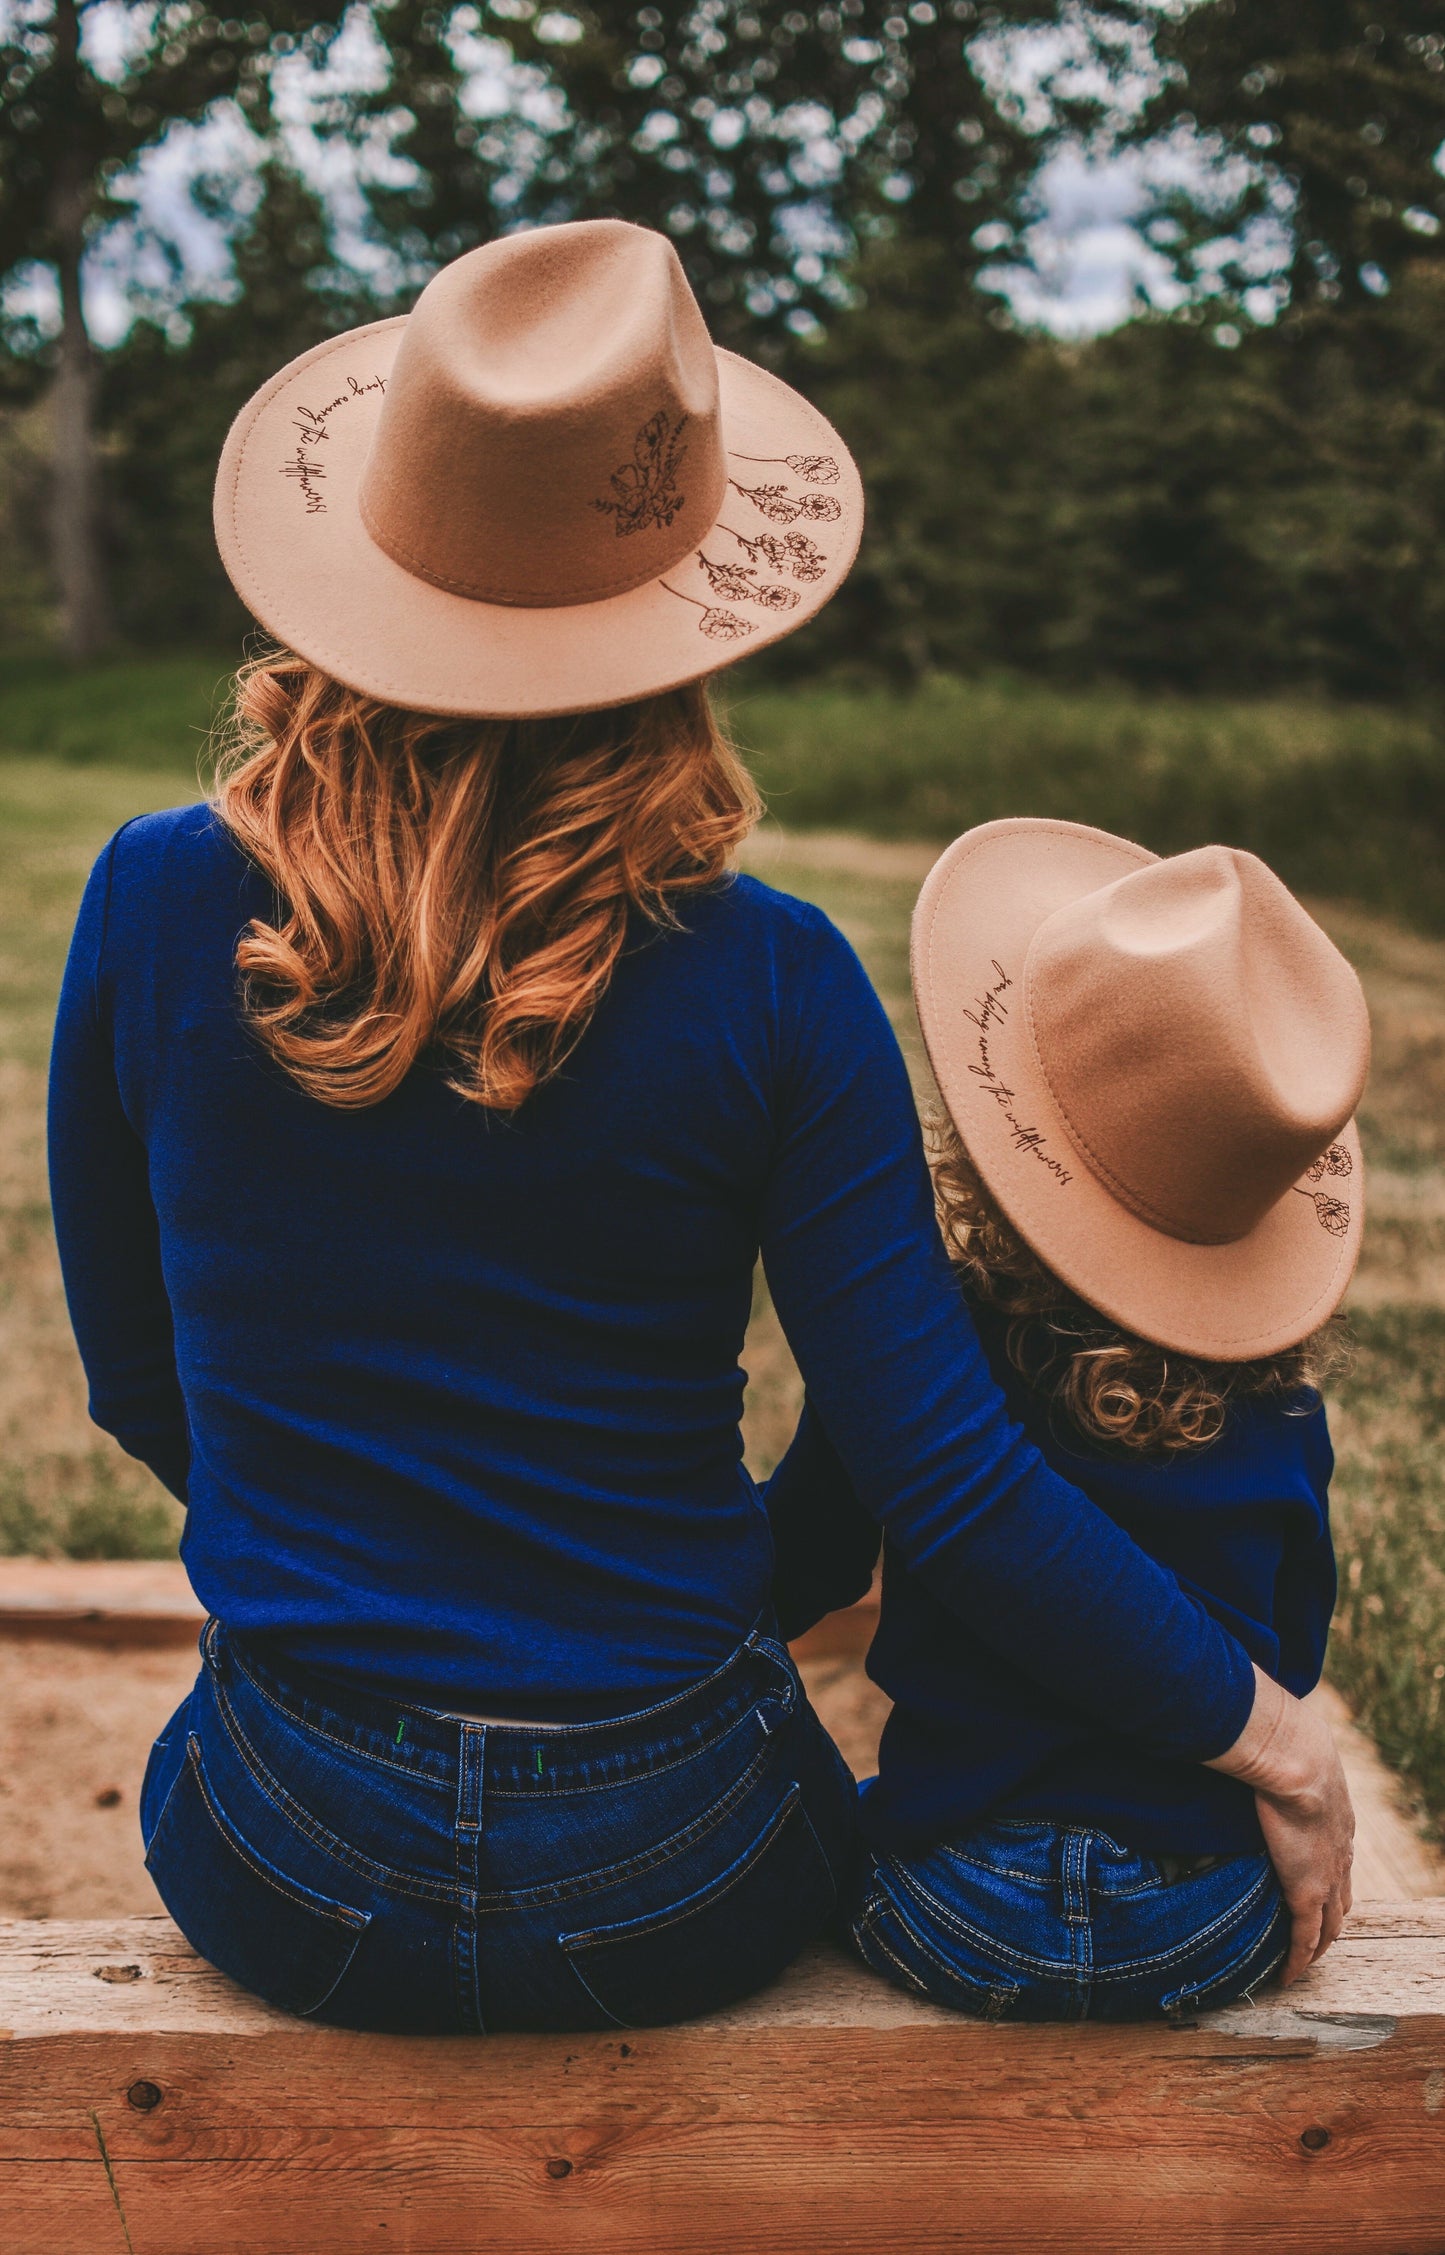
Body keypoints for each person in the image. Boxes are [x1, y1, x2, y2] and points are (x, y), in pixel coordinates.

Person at [48, 221, 1351, 2037]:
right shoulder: (775, 983)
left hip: (291, 1852)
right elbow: (944, 1481)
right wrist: (1273, 1736)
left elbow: (131, 1376)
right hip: (670, 1860)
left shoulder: (152, 898)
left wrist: (362, 1557)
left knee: (256, 1752)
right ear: (684, 607)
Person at [770, 818, 1368, 2020]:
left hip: (953, 1901)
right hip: (1202, 1923)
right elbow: (1292, 1639)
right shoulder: (1279, 1406)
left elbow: (803, 1559)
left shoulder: (928, 1362)